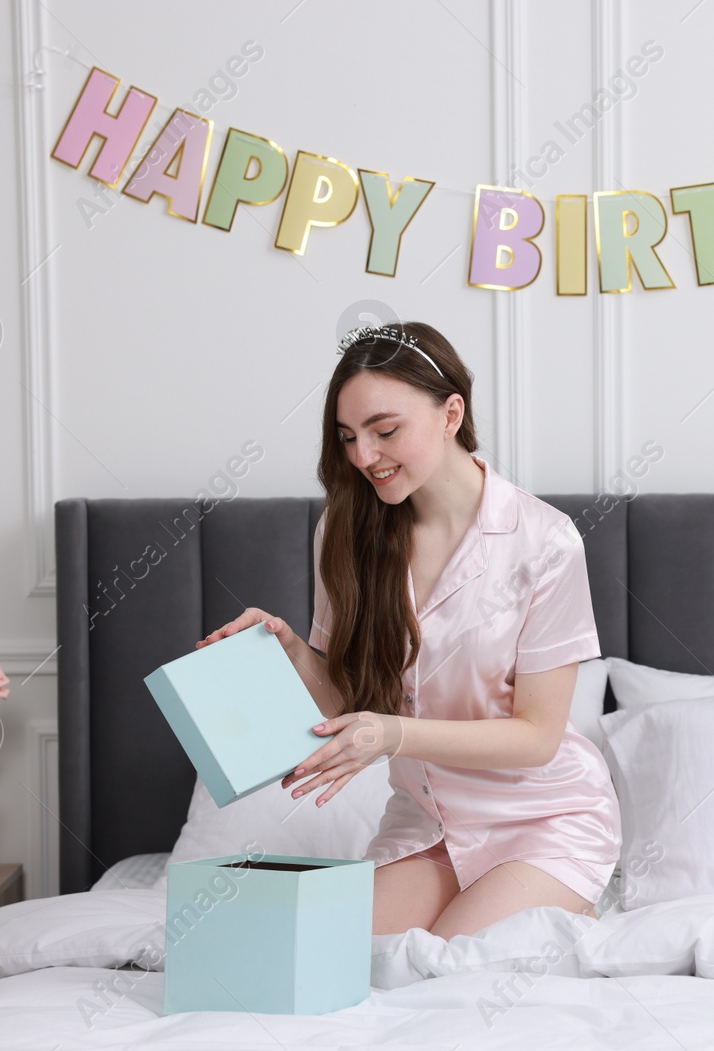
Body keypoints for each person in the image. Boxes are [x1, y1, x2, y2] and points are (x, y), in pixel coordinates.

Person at [196, 321, 620, 939]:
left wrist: (391, 734)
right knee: (347, 959)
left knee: (450, 966)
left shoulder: (545, 542)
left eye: (385, 431)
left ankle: (570, 900)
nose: (364, 457)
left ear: (452, 414)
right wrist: (287, 649)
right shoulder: (343, 535)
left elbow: (536, 738)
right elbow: (351, 703)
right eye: (348, 438)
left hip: (543, 820)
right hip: (428, 825)